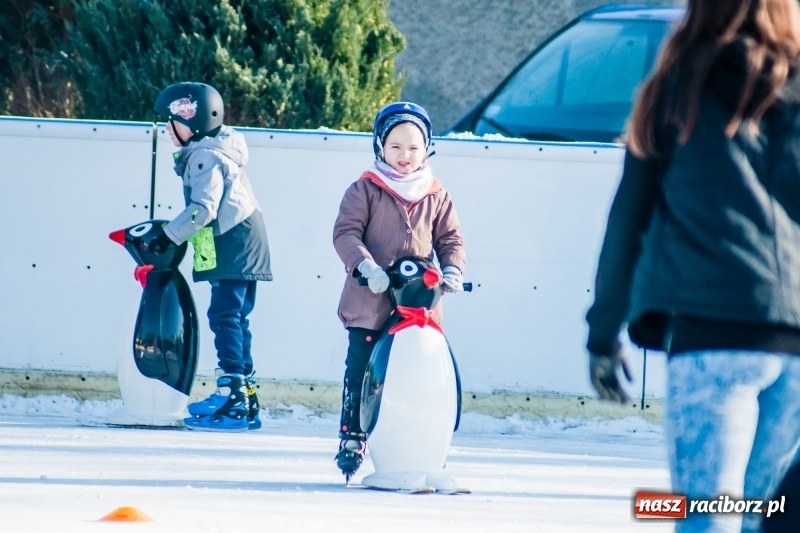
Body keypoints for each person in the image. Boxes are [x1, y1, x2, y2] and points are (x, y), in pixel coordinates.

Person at [585, 1, 800, 531]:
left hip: (711, 331)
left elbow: (627, 223)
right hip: (795, 338)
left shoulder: (675, 89)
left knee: (708, 515)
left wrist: (602, 335)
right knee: (760, 517)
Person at [331, 102, 467, 478]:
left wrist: (452, 269)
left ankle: (430, 445)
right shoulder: (365, 188)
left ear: (427, 148)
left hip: (419, 304)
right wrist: (366, 267)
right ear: (379, 147)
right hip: (370, 299)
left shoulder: (437, 194)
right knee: (361, 367)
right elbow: (346, 233)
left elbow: (451, 238)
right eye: (395, 146)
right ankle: (353, 436)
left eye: (413, 147)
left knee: (426, 370)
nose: (404, 156)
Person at [153, 81, 272, 432]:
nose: (167, 130)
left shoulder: (206, 155)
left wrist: (167, 236)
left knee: (224, 315)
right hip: (238, 244)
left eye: (171, 121)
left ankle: (231, 395)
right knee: (234, 317)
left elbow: (203, 209)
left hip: (233, 243)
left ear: (193, 120)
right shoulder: (209, 151)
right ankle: (245, 398)